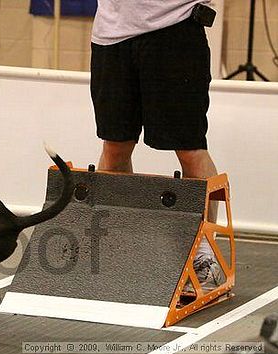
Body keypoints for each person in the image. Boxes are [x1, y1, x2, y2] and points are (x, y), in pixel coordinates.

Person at [90, 0, 224, 291]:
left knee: (190, 148)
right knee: (114, 145)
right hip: (111, 34)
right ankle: (115, 249)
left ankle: (204, 255)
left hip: (175, 29)